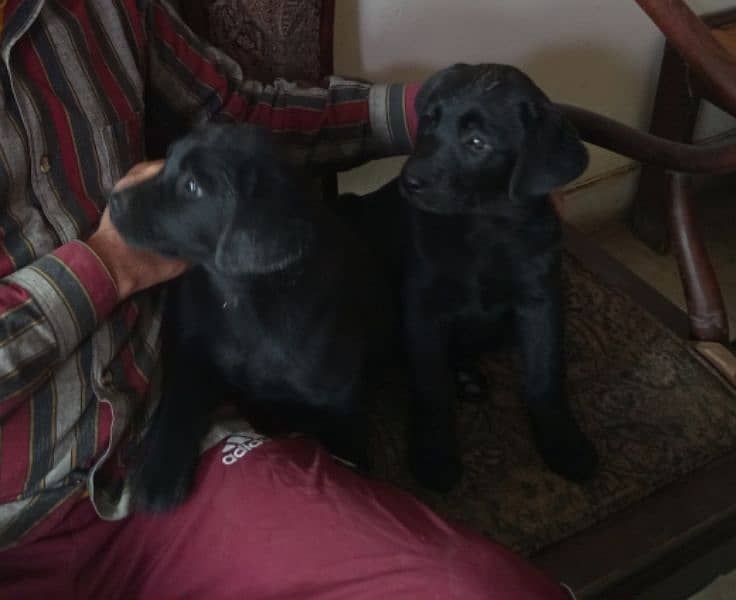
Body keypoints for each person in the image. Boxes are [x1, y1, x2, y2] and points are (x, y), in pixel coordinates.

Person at [0, 1, 571, 598]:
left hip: (165, 448)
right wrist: (109, 266)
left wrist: (440, 111)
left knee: (484, 591)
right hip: (17, 531)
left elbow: (241, 113)